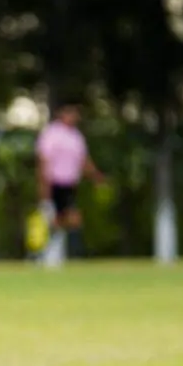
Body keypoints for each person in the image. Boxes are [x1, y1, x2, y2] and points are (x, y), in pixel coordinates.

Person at [34, 101, 105, 266]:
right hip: (54, 182)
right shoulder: (51, 133)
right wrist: (43, 185)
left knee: (70, 219)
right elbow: (43, 160)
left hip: (70, 184)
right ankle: (46, 254)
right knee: (57, 219)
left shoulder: (76, 137)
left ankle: (61, 254)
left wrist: (96, 176)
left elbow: (83, 160)